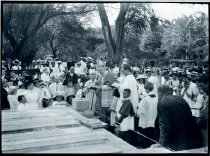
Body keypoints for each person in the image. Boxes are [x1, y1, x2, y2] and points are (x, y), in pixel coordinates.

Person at [151, 85, 203, 151]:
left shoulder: (162, 102)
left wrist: (162, 143)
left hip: (177, 141)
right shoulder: (181, 99)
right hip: (191, 137)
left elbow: (164, 125)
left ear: (160, 93)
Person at [136, 82, 158, 148]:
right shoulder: (157, 98)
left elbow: (140, 113)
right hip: (155, 124)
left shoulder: (145, 99)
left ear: (147, 89)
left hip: (146, 125)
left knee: (145, 144)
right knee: (153, 143)